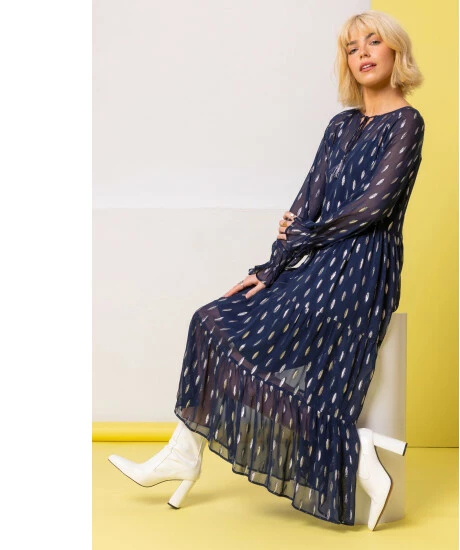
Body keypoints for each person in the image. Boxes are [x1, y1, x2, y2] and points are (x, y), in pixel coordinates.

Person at [108, 9, 425, 530]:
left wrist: (303, 234)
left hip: (364, 267)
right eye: (352, 48)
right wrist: (272, 267)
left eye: (373, 42)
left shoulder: (408, 123)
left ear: (395, 51)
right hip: (322, 260)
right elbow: (306, 201)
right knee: (210, 320)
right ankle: (189, 452)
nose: (363, 53)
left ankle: (344, 446)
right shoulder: (340, 126)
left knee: (265, 356)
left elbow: (375, 207)